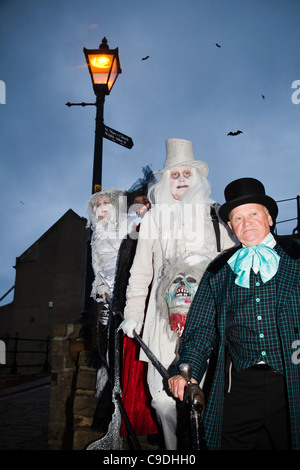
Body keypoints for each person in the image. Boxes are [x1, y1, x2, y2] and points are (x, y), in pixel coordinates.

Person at [120, 138, 237, 449]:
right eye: (174, 175)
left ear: (197, 178)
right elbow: (141, 272)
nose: (181, 180)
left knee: (204, 396)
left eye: (186, 173)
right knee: (161, 401)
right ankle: (173, 450)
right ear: (164, 181)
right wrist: (133, 313)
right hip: (161, 321)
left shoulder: (216, 217)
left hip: (206, 318)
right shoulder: (153, 220)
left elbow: (234, 267)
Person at [168, 177, 300, 450]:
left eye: (253, 213)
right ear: (230, 227)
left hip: (292, 381)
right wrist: (187, 370)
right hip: (240, 384)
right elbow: (201, 328)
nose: (246, 222)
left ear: (270, 218)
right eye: (237, 218)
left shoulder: (297, 257)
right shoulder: (218, 270)